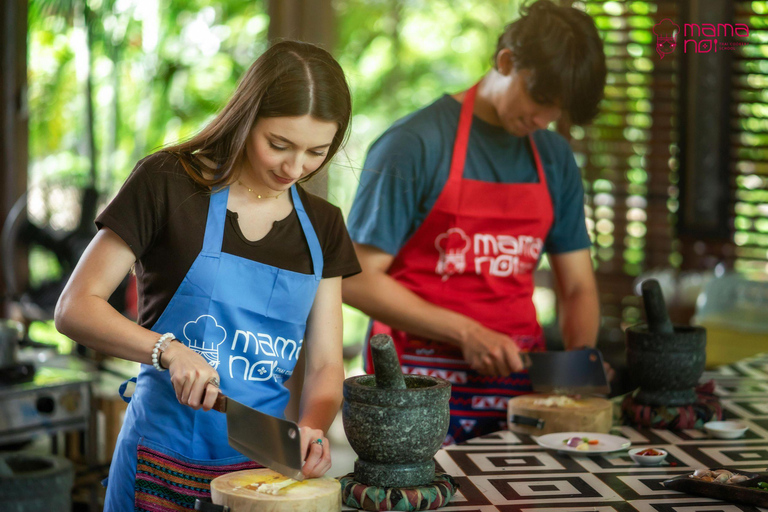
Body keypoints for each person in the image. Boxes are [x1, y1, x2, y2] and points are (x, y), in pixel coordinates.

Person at [55, 40, 360, 511]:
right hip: (158, 460)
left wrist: (313, 427)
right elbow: (75, 307)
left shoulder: (322, 226)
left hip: (260, 476)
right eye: (279, 144)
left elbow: (323, 366)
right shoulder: (168, 182)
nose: (294, 167)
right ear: (246, 116)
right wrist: (168, 350)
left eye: (316, 152)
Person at [342, 0, 607, 445]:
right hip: (415, 390)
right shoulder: (414, 144)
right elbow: (355, 278)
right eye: (540, 101)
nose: (544, 121)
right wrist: (466, 332)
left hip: (519, 391)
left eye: (556, 112)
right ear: (506, 61)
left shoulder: (553, 157)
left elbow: (578, 286)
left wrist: (576, 376)